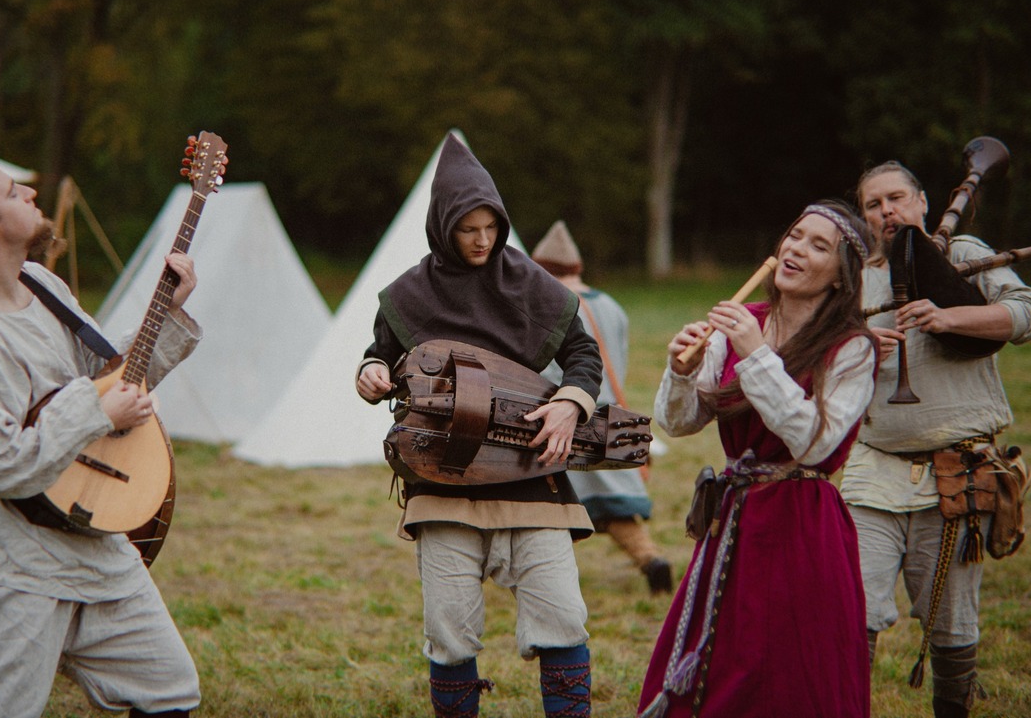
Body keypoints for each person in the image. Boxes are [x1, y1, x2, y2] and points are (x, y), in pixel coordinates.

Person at [0, 153, 203, 718]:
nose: (32, 195)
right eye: (15, 193)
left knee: (170, 689)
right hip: (19, 562)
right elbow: (1, 464)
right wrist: (97, 411)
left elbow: (106, 378)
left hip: (93, 540)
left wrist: (169, 314)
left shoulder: (39, 282)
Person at [355, 135, 604, 718]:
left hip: (529, 476)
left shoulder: (531, 284)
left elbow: (583, 355)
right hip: (442, 484)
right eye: (469, 228)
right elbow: (380, 355)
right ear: (444, 225)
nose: (483, 240)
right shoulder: (407, 295)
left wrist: (570, 403)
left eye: (492, 227)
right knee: (449, 633)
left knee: (564, 618)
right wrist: (369, 372)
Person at [638, 200, 877, 718]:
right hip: (734, 519)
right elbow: (678, 423)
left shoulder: (852, 347)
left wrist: (757, 355)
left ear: (841, 277)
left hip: (800, 524)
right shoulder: (742, 323)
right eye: (794, 236)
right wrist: (684, 370)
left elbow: (815, 443)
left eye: (819, 246)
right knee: (725, 656)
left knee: (790, 665)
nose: (796, 249)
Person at [842, 161, 1031, 718]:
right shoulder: (858, 276)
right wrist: (856, 343)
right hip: (872, 467)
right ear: (863, 217)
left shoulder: (962, 255)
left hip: (959, 470)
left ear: (923, 201)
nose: (888, 211)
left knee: (952, 621)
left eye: (897, 198)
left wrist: (951, 315)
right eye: (874, 204)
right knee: (851, 608)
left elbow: (1028, 316)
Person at [530, 220, 673, 595]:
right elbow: (618, 362)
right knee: (616, 508)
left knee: (549, 507)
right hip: (610, 419)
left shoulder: (548, 304)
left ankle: (549, 582)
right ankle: (650, 559)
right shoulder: (610, 304)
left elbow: (546, 367)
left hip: (564, 417)